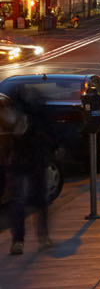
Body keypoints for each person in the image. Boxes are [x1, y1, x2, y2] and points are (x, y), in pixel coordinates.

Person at [8, 86, 53, 254]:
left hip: (23, 160)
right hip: (33, 159)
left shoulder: (16, 114)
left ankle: (19, 241)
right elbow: (49, 132)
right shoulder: (38, 112)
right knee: (38, 199)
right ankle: (42, 237)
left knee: (20, 200)